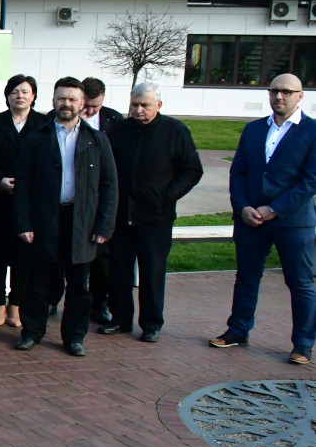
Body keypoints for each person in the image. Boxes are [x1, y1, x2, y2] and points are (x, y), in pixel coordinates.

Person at [211, 73, 316, 365]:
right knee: (246, 276)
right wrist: (242, 206)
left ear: (300, 96)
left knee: (301, 283)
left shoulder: (312, 131)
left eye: (286, 92)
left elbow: (311, 180)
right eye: (273, 91)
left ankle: (303, 344)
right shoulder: (254, 129)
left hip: (292, 221)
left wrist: (276, 209)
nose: (278, 97)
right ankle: (238, 330)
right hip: (251, 219)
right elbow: (239, 172)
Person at [13, 77, 117, 357]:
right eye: (61, 98)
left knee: (80, 286)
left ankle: (74, 338)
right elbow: (23, 184)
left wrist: (104, 225)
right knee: (37, 283)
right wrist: (24, 223)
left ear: (82, 103)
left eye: (72, 99)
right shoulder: (38, 138)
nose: (66, 104)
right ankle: (31, 332)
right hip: (45, 221)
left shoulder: (97, 141)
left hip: (81, 222)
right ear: (53, 101)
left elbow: (109, 186)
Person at [100, 83, 202, 342]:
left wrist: (168, 195)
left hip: (156, 217)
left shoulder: (175, 130)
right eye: (134, 104)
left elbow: (192, 170)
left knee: (152, 272)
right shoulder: (118, 130)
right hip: (121, 216)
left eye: (145, 105)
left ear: (158, 105)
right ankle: (120, 319)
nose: (138, 110)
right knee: (119, 271)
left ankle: (151, 324)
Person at [0, 75, 45, 328]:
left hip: (29, 202)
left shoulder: (43, 124)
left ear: (34, 96)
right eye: (15, 91)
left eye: (25, 91)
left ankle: (15, 305)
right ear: (7, 95)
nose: (20, 96)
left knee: (24, 256)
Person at [80, 76, 125, 324]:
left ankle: (100, 303)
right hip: (73, 197)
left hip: (100, 197)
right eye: (86, 104)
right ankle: (55, 299)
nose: (90, 110)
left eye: (95, 105)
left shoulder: (114, 121)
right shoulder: (62, 118)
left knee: (101, 256)